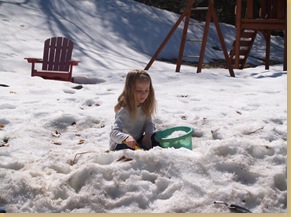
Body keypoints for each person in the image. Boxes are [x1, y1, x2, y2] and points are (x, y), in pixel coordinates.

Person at [109, 69, 159, 151]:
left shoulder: (144, 106)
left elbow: (149, 123)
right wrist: (127, 138)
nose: (144, 94)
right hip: (121, 144)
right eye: (139, 90)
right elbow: (113, 134)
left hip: (137, 140)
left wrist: (147, 136)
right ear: (130, 90)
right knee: (142, 151)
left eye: (147, 90)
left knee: (157, 138)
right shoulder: (124, 110)